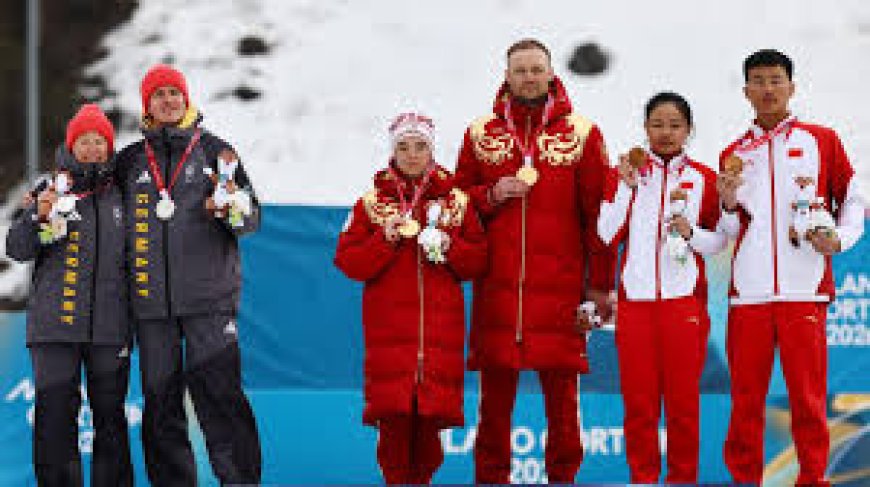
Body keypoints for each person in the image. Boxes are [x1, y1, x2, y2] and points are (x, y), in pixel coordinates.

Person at [454, 38, 617, 483]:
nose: (528, 77)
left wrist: (599, 286)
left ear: (550, 74)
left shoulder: (582, 133)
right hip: (499, 292)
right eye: (520, 70)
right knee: (493, 407)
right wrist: (491, 194)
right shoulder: (480, 133)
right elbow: (456, 205)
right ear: (506, 76)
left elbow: (598, 219)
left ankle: (563, 479)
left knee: (564, 406)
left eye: (536, 69)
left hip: (560, 292)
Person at [718, 49, 865, 486]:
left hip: (804, 291)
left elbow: (853, 198)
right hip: (749, 294)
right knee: (746, 399)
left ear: (791, 87)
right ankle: (745, 480)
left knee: (807, 398)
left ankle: (813, 478)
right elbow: (728, 229)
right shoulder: (733, 155)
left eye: (775, 80)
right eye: (758, 81)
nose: (767, 89)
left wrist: (839, 239)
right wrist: (727, 200)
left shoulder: (821, 141)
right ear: (746, 91)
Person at [114, 64, 262, 486]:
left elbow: (251, 218)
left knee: (221, 400)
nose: (167, 101)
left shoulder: (217, 151)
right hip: (151, 308)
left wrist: (234, 208)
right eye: (157, 95)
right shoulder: (127, 162)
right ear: (147, 105)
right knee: (161, 409)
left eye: (173, 93)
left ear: (186, 99)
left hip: (209, 303)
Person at [334, 112, 487, 484]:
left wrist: (451, 246)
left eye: (420, 146)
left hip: (439, 343)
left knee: (429, 438)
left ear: (432, 150)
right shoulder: (371, 204)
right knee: (393, 434)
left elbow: (478, 260)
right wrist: (383, 240)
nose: (412, 154)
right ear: (392, 151)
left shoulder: (457, 202)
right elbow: (349, 261)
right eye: (403, 146)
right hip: (391, 344)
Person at [598, 92, 727, 483]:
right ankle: (643, 478)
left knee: (683, 404)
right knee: (639, 404)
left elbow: (719, 240)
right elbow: (606, 233)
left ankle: (683, 479)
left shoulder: (703, 178)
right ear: (645, 128)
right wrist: (624, 187)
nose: (666, 133)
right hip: (636, 307)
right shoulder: (625, 174)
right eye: (658, 124)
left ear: (688, 130)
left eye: (675, 125)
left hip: (683, 306)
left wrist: (691, 234)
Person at [6, 104, 133, 487]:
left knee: (110, 422)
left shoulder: (122, 196)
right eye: (84, 141)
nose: (92, 148)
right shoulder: (48, 190)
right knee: (55, 421)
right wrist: (36, 217)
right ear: (71, 146)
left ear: (109, 147)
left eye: (99, 141)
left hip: (109, 330)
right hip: (54, 330)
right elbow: (17, 248)